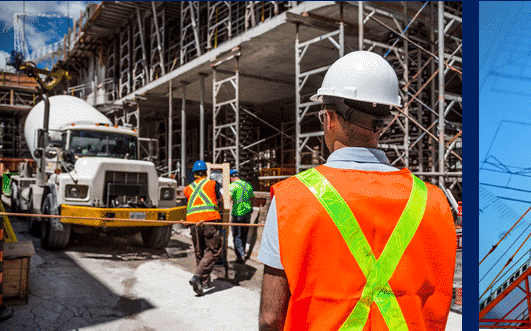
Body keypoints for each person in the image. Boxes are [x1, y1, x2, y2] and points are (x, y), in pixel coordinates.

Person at [257, 51, 457, 331]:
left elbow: (270, 318)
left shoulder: (291, 199)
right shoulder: (434, 201)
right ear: (383, 122)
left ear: (328, 118)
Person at [184, 159, 224, 296]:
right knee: (213, 251)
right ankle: (198, 276)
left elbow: (189, 204)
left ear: (194, 173)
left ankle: (204, 282)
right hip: (209, 220)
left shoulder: (188, 189)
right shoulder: (213, 184)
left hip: (193, 223)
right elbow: (219, 200)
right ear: (206, 173)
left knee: (199, 251)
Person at [229, 167, 254, 264]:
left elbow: (228, 199)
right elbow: (253, 199)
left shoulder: (233, 186)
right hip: (247, 213)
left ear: (232, 177)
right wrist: (250, 208)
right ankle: (243, 253)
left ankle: (240, 256)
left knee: (237, 235)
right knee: (244, 234)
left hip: (237, 214)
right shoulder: (247, 185)